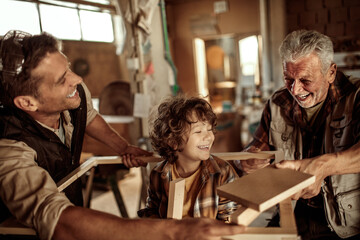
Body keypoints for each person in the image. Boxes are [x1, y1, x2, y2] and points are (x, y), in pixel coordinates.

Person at [0, 30, 245, 240]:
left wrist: (122, 147)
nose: (77, 79)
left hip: (70, 196)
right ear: (27, 103)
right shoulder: (8, 148)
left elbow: (88, 114)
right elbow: (57, 219)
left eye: (70, 68)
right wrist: (173, 231)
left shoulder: (73, 92)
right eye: (63, 79)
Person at [234, 29, 360, 240]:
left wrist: (323, 166)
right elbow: (256, 148)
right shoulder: (277, 103)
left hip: (346, 223)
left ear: (331, 72)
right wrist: (249, 158)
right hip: (293, 212)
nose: (295, 89)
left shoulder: (356, 96)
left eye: (306, 80)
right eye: (288, 79)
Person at [138, 95, 238, 221]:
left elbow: (230, 219)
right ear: (173, 142)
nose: (208, 137)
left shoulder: (222, 173)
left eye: (209, 129)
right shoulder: (158, 174)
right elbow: (152, 210)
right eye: (198, 132)